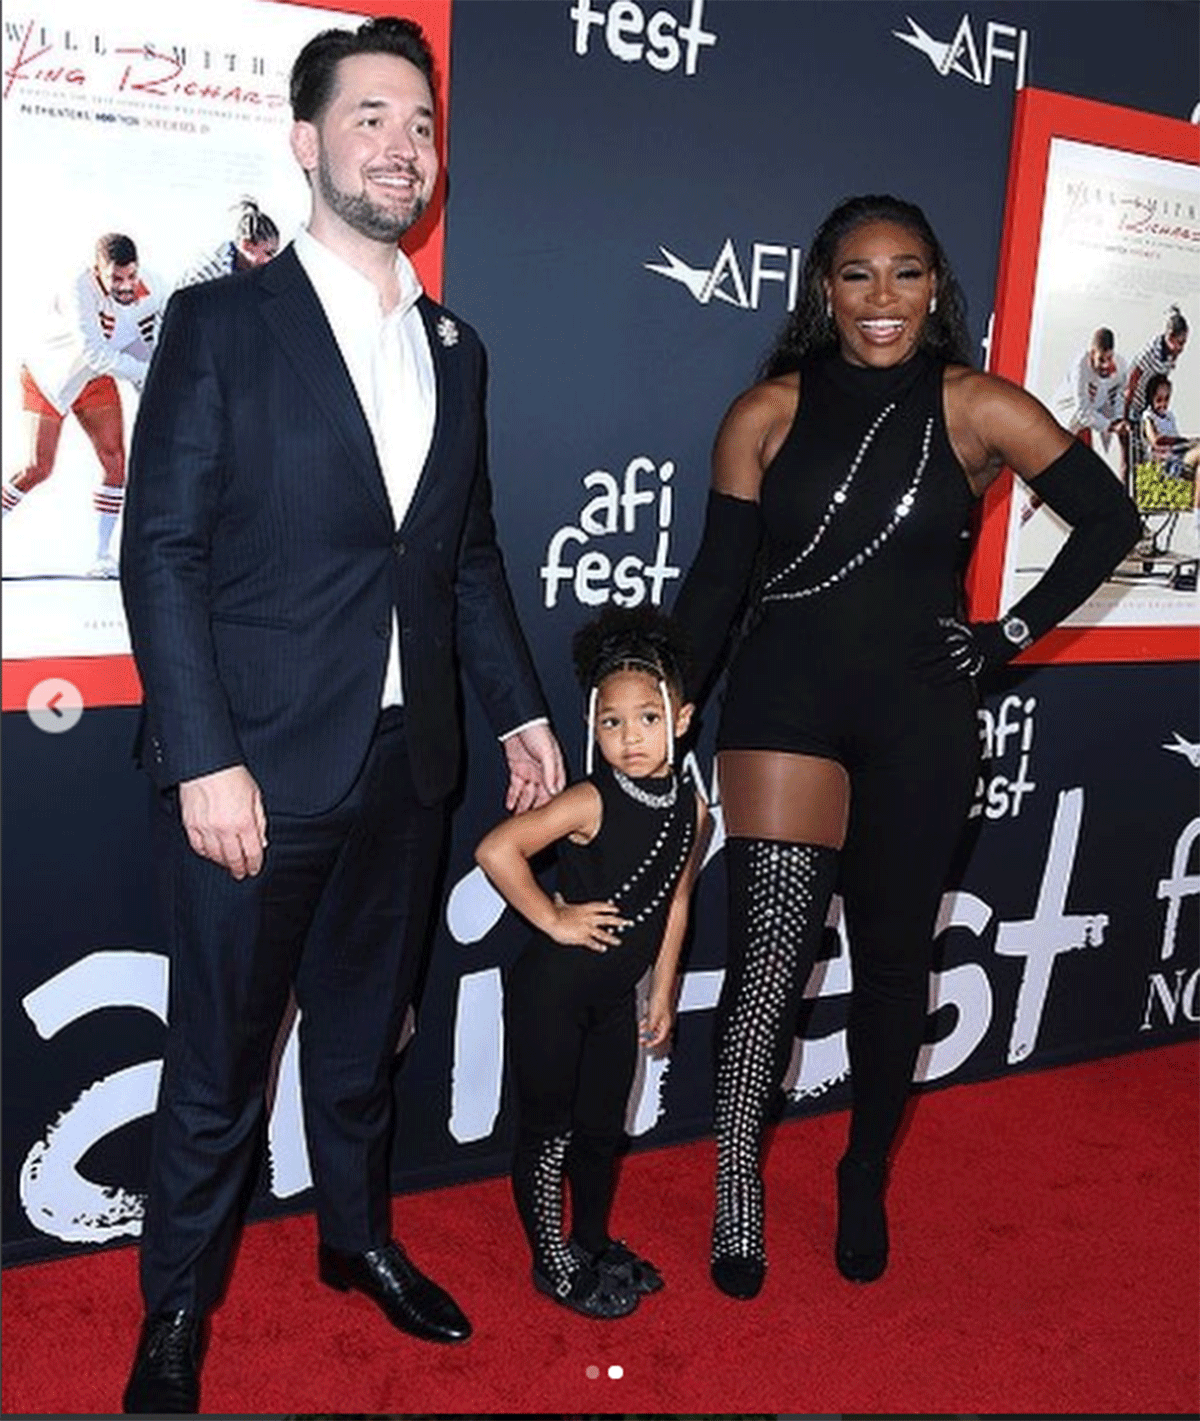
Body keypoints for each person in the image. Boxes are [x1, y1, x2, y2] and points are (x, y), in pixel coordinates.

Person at [118, 16, 564, 1413]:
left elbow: (465, 553)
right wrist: (205, 754)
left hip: (407, 764)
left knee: (369, 1028)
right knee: (218, 1067)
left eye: (420, 124)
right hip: (254, 767)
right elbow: (162, 551)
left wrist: (517, 715)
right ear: (307, 143)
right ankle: (176, 1310)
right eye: (372, 117)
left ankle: (355, 1240)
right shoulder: (221, 321)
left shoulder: (457, 347)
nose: (402, 145)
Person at [670, 193, 1141, 1301]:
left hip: (920, 721)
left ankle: (863, 1168)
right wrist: (668, 698)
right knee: (768, 960)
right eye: (858, 275)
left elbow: (1112, 521)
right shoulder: (764, 413)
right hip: (783, 708)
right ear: (822, 288)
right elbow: (718, 582)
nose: (883, 299)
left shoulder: (977, 407)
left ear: (937, 289)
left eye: (907, 274)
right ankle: (738, 1177)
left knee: (891, 966)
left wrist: (1008, 638)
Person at [476, 606, 710, 1319]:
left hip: (615, 997)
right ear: (592, 726)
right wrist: (550, 915)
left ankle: (592, 1238)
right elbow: (496, 849)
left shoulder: (692, 808)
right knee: (547, 1131)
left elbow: (675, 901)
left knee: (603, 1127)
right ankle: (552, 1261)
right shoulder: (589, 798)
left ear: (684, 716)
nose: (629, 737)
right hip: (551, 991)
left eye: (646, 717)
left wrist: (662, 988)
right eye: (611, 722)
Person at [1, 233, 165, 577]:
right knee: (38, 468)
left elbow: (146, 347)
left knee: (115, 462)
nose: (125, 285)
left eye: (131, 276)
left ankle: (102, 556)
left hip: (96, 380)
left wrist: (158, 390)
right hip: (50, 377)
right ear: (97, 272)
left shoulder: (152, 289)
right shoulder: (77, 288)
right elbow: (96, 353)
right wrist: (155, 373)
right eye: (116, 278)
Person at [174, 197, 281, 288]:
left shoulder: (248, 271)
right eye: (268, 253)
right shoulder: (209, 272)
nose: (272, 260)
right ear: (247, 245)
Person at [1050, 327, 1127, 450]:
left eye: (1109, 358)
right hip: (1066, 419)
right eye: (1101, 359)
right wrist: (1110, 426)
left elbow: (1119, 396)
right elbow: (1082, 412)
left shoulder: (1120, 365)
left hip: (1091, 421)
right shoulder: (1080, 368)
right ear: (1092, 353)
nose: (1106, 365)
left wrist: (1118, 419)